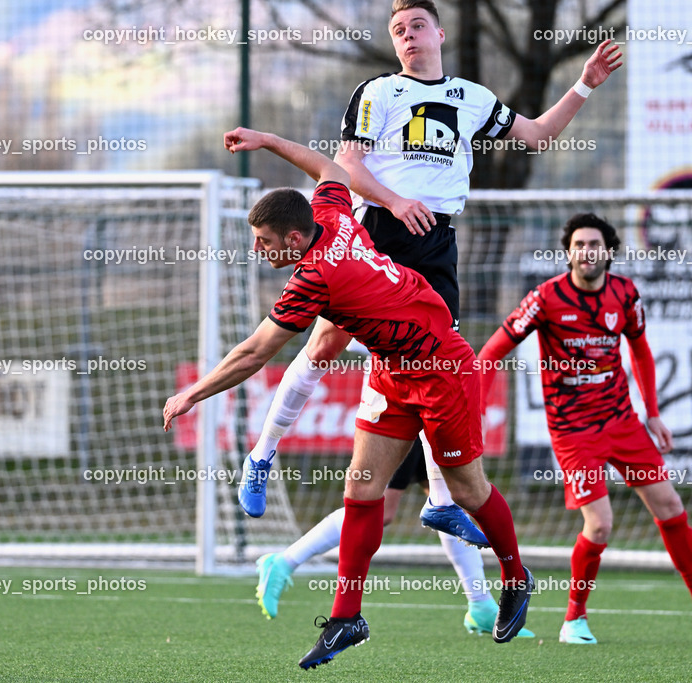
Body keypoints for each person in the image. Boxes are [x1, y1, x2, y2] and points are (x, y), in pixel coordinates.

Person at [240, 0, 622, 544]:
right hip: (379, 232)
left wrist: (584, 83)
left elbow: (538, 135)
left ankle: (442, 501)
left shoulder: (470, 98)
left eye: (416, 25)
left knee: (440, 367)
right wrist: (395, 202)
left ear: (438, 33)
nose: (408, 36)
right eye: (398, 30)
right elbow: (348, 164)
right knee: (324, 346)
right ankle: (263, 453)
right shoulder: (379, 92)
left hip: (437, 243)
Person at [164, 126, 534, 670]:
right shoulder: (333, 216)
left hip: (441, 369)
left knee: (468, 490)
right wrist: (268, 141)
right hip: (391, 369)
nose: (256, 249)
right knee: (363, 491)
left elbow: (253, 354)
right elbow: (331, 170)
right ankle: (346, 619)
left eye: (263, 240)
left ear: (293, 240)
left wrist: (192, 393)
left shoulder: (315, 276)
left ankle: (516, 576)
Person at [477, 213, 692, 644]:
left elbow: (642, 351)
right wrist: (475, 412)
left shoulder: (625, 294)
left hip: (622, 421)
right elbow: (490, 352)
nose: (586, 252)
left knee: (669, 504)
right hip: (574, 431)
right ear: (568, 251)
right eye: (579, 245)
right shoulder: (545, 298)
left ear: (609, 251)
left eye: (595, 244)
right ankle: (573, 620)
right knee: (601, 524)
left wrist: (652, 413)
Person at [254, 438, 529, 638]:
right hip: (401, 401)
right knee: (380, 508)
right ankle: (284, 561)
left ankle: (480, 603)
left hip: (430, 402)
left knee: (447, 504)